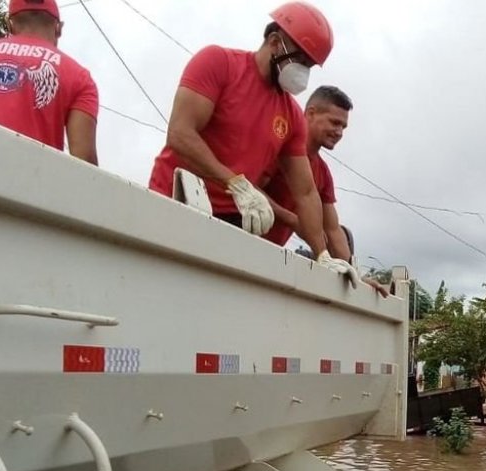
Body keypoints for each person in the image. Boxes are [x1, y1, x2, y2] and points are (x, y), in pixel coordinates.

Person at [147, 1, 351, 277]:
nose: (304, 72)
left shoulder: (290, 114)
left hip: (236, 221)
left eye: (310, 66)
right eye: (300, 61)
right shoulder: (219, 63)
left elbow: (305, 191)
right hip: (175, 200)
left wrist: (322, 254)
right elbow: (181, 134)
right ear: (275, 42)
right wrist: (236, 184)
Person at [0, 0, 98, 164]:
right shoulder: (79, 77)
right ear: (59, 28)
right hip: (30, 183)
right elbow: (84, 160)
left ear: (9, 24)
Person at [263, 85, 353, 258]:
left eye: (343, 126)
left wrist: (355, 276)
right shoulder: (278, 145)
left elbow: (333, 230)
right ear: (311, 114)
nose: (339, 132)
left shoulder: (323, 172)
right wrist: (293, 220)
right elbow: (247, 189)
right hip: (234, 240)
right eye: (334, 122)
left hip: (270, 258)